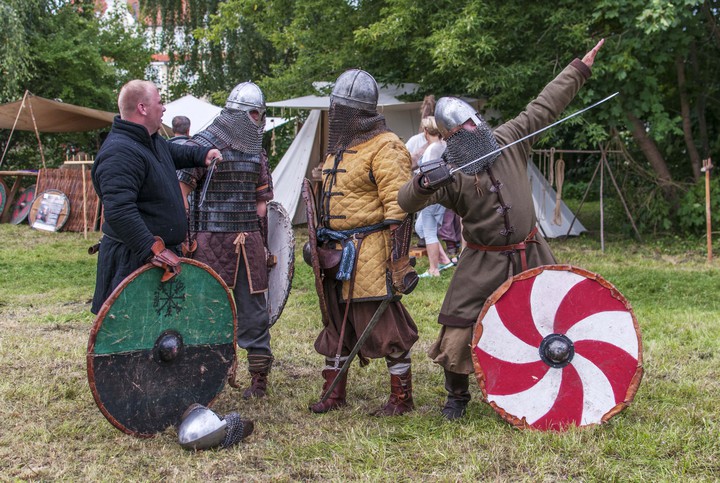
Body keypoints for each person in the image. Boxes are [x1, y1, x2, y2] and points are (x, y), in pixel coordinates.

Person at [398, 39, 605, 420]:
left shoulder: (511, 140)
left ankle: (554, 375)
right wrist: (426, 182)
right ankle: (457, 397)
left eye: (474, 123)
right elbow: (406, 201)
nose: (473, 130)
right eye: (463, 129)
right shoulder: (452, 173)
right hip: (483, 261)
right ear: (451, 137)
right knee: (458, 323)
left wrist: (578, 69)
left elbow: (543, 106)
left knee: (553, 316)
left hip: (532, 251)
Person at [309, 69, 419, 416]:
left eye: (343, 108)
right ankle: (333, 391)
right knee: (335, 320)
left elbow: (400, 209)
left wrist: (398, 262)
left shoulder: (386, 147)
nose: (337, 114)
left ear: (359, 112)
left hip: (369, 251)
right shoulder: (339, 147)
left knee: (384, 325)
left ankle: (401, 398)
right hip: (334, 252)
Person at [177, 81, 275, 399]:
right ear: (236, 112)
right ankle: (206, 374)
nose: (257, 120)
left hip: (248, 244)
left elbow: (262, 206)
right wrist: (184, 238)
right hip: (208, 241)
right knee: (207, 311)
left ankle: (258, 378)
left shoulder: (255, 152)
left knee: (255, 312)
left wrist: (266, 244)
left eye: (260, 114)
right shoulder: (202, 145)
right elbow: (181, 195)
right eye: (253, 113)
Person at [90, 80, 220, 315]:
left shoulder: (150, 141)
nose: (164, 108)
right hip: (134, 259)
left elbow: (173, 152)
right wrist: (153, 250)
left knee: (162, 334)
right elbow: (119, 211)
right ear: (142, 108)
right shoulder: (119, 152)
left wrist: (202, 155)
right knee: (131, 332)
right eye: (160, 102)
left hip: (158, 259)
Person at [414, 116, 454, 278]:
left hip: (431, 194)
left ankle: (433, 269)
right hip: (442, 192)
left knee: (428, 231)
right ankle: (444, 259)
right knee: (420, 227)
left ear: (425, 131)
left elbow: (428, 173)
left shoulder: (432, 149)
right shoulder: (444, 145)